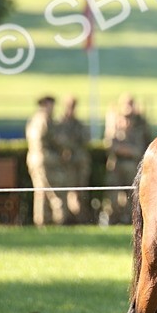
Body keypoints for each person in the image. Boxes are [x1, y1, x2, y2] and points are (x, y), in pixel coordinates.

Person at [105, 94, 152, 225]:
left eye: (131, 103)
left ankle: (131, 219)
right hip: (116, 164)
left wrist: (127, 150)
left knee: (133, 195)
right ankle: (113, 219)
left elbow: (145, 145)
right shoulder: (115, 121)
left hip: (133, 165)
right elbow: (109, 144)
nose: (128, 107)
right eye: (125, 104)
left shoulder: (140, 123)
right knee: (113, 195)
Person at [26, 95, 65, 227]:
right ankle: (57, 220)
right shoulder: (44, 119)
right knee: (54, 191)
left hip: (33, 158)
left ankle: (41, 221)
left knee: (40, 191)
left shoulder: (34, 119)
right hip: (45, 159)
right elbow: (55, 140)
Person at [55, 96, 93, 225]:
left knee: (81, 191)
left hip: (80, 163)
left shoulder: (79, 124)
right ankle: (65, 219)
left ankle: (81, 218)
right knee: (66, 192)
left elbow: (86, 138)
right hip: (66, 164)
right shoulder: (60, 124)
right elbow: (58, 141)